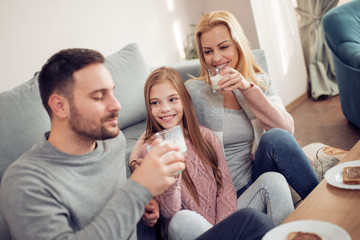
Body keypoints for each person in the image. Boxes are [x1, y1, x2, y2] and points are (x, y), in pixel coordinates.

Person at [0, 48, 273, 240]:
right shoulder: (24, 182)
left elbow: (126, 206)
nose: (116, 105)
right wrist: (138, 190)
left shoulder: (114, 143)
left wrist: (145, 207)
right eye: (99, 96)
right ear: (60, 106)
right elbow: (132, 198)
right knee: (253, 223)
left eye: (113, 93)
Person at [130, 67, 290, 239]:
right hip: (192, 231)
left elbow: (225, 187)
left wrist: (224, 228)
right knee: (181, 220)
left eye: (172, 99)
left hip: (224, 222)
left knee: (273, 180)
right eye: (155, 103)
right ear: (149, 107)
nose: (165, 109)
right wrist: (173, 175)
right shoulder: (150, 153)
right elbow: (170, 214)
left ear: (184, 100)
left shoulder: (205, 136)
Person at [186, 10, 319, 203]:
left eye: (224, 47)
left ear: (238, 45)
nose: (216, 58)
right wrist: (134, 160)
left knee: (276, 137)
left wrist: (247, 88)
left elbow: (286, 130)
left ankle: (320, 202)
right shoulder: (194, 91)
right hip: (227, 195)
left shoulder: (259, 83)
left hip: (260, 176)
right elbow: (159, 129)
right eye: (208, 51)